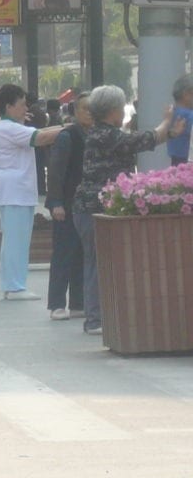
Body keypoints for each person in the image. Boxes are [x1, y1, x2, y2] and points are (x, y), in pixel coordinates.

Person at [73, 85, 183, 336]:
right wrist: (166, 122)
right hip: (94, 207)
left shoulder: (104, 133)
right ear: (113, 110)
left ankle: (100, 315)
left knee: (97, 262)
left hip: (91, 206)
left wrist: (169, 132)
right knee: (97, 263)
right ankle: (94, 319)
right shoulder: (106, 135)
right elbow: (142, 139)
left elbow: (140, 141)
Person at [0, 84, 65, 302]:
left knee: (17, 239)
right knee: (16, 239)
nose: (26, 109)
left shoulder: (11, 126)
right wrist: (69, 128)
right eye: (22, 105)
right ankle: (14, 286)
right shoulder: (8, 127)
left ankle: (14, 283)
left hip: (16, 189)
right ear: (8, 106)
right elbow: (40, 138)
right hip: (15, 190)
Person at [45, 91, 92, 321]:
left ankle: (77, 303)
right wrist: (55, 203)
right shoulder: (67, 136)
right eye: (84, 108)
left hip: (86, 206)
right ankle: (56, 304)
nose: (89, 113)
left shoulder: (95, 135)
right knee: (63, 254)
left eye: (93, 109)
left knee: (82, 254)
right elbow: (56, 172)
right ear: (75, 111)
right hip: (66, 204)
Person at [166, 74, 193, 166]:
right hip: (188, 162)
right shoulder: (188, 116)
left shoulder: (172, 112)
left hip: (175, 161)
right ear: (186, 94)